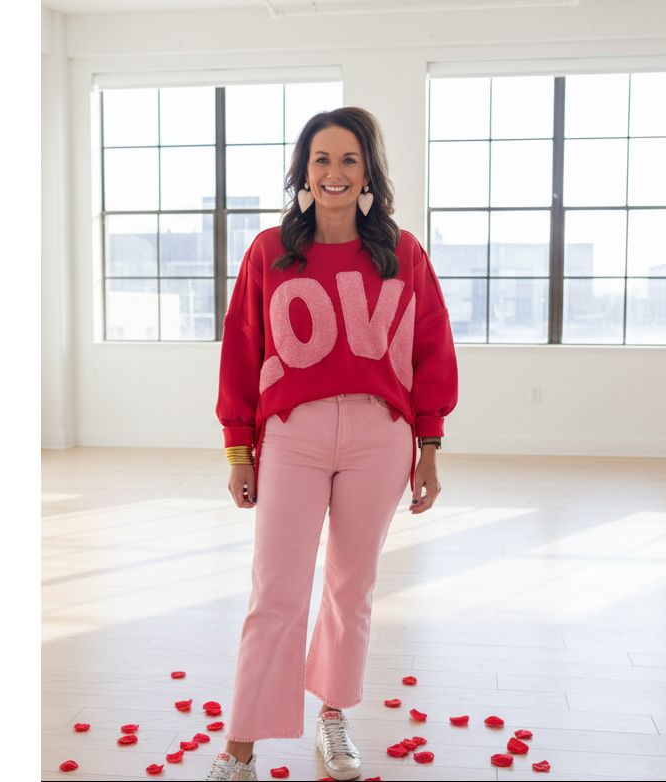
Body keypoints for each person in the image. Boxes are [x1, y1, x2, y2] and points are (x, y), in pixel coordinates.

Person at [206, 106, 458, 782]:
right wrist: (238, 450)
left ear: (368, 171)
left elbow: (432, 346)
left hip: (382, 438)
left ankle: (333, 715)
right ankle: (239, 750)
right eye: (322, 159)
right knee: (276, 592)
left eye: (350, 159)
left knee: (352, 588)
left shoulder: (404, 253)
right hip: (293, 435)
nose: (335, 172)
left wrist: (429, 445)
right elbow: (241, 352)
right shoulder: (269, 252)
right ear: (304, 172)